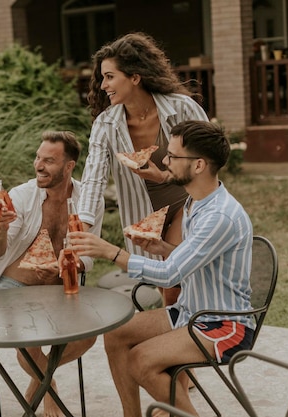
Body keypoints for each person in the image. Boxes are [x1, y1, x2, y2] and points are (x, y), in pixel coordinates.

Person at [69, 120, 254, 417]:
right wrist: (164, 249)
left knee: (141, 360)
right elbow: (193, 260)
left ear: (198, 165)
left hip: (222, 325)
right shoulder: (198, 202)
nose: (164, 161)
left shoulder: (220, 216)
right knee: (116, 334)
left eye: (173, 156)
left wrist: (110, 251)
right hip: (190, 311)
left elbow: (170, 275)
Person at [78, 32, 209, 306]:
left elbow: (211, 156)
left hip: (188, 205)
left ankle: (183, 338)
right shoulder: (106, 124)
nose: (103, 85)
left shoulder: (181, 107)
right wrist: (83, 224)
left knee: (173, 283)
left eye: (110, 76)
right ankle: (179, 336)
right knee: (167, 286)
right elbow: (93, 179)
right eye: (102, 77)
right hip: (144, 215)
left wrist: (165, 175)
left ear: (135, 77)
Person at [0, 131, 96, 417]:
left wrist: (73, 264)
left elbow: (90, 252)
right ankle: (49, 387)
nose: (39, 165)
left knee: (88, 335)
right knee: (26, 339)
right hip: (12, 286)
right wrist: (1, 229)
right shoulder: (21, 195)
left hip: (61, 288)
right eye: (37, 158)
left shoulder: (87, 200)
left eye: (49, 161)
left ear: (69, 166)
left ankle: (37, 381)